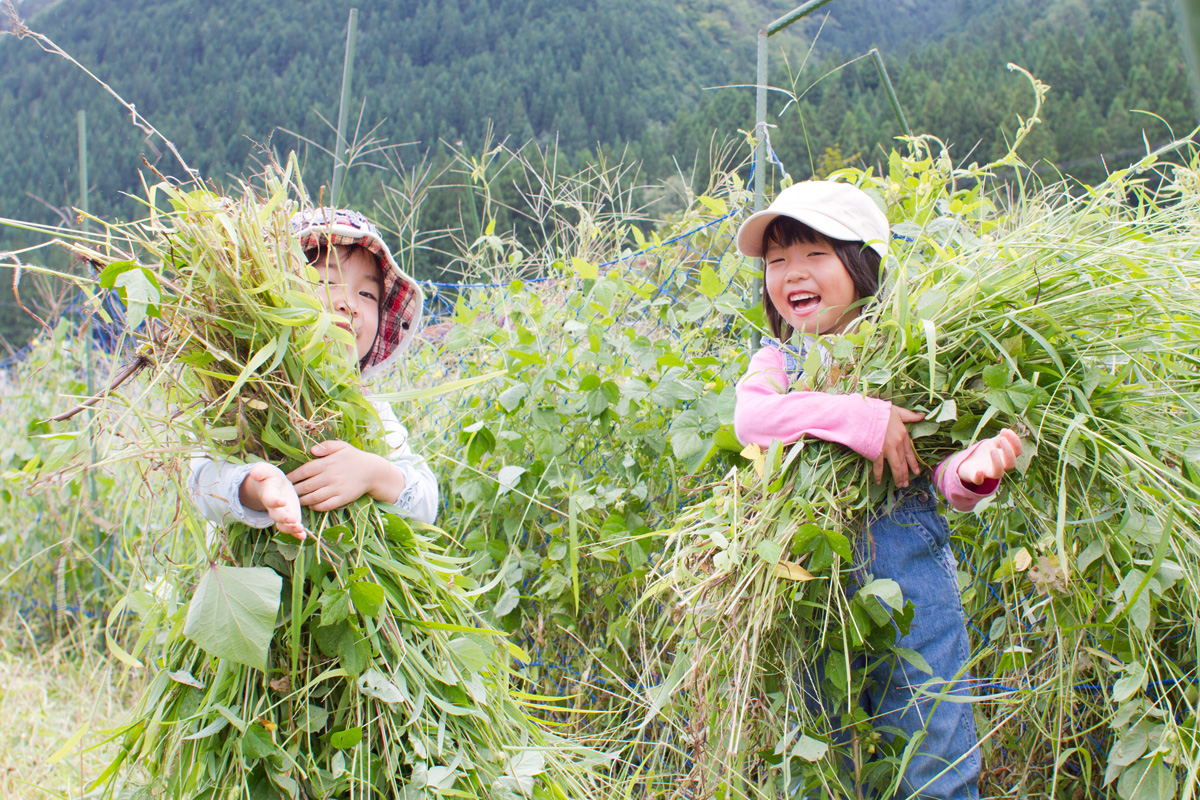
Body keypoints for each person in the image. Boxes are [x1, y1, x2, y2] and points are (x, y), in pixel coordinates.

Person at [733, 181, 1023, 799]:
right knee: (819, 760)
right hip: (809, 584)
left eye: (814, 254)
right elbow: (752, 422)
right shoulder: (778, 364)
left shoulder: (913, 355)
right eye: (777, 261)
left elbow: (937, 471)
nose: (791, 274)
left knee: (935, 756)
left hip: (911, 582)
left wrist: (973, 473)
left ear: (864, 262)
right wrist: (863, 418)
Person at [188, 207, 438, 535]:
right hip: (251, 580)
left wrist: (374, 475)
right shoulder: (244, 397)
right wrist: (256, 489)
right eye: (324, 282)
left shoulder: (370, 409)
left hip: (349, 583)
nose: (349, 303)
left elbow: (427, 505)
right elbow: (201, 483)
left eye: (366, 293)